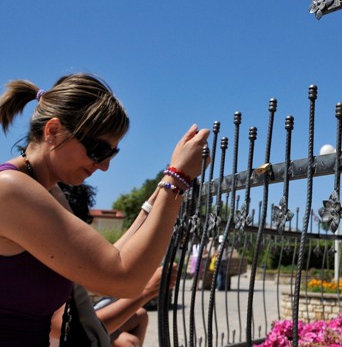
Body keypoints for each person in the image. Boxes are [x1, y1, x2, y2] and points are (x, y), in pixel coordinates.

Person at [0, 73, 209, 345]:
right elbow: (123, 279)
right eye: (98, 150)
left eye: (111, 153)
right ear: (53, 131)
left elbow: (105, 258)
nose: (104, 165)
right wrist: (177, 179)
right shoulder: (11, 190)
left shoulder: (47, 191)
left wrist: (156, 197)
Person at [49, 183, 178, 346]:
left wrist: (149, 207)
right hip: (68, 336)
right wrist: (147, 291)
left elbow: (110, 256)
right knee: (127, 342)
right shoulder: (42, 264)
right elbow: (68, 328)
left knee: (139, 316)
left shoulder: (57, 249)